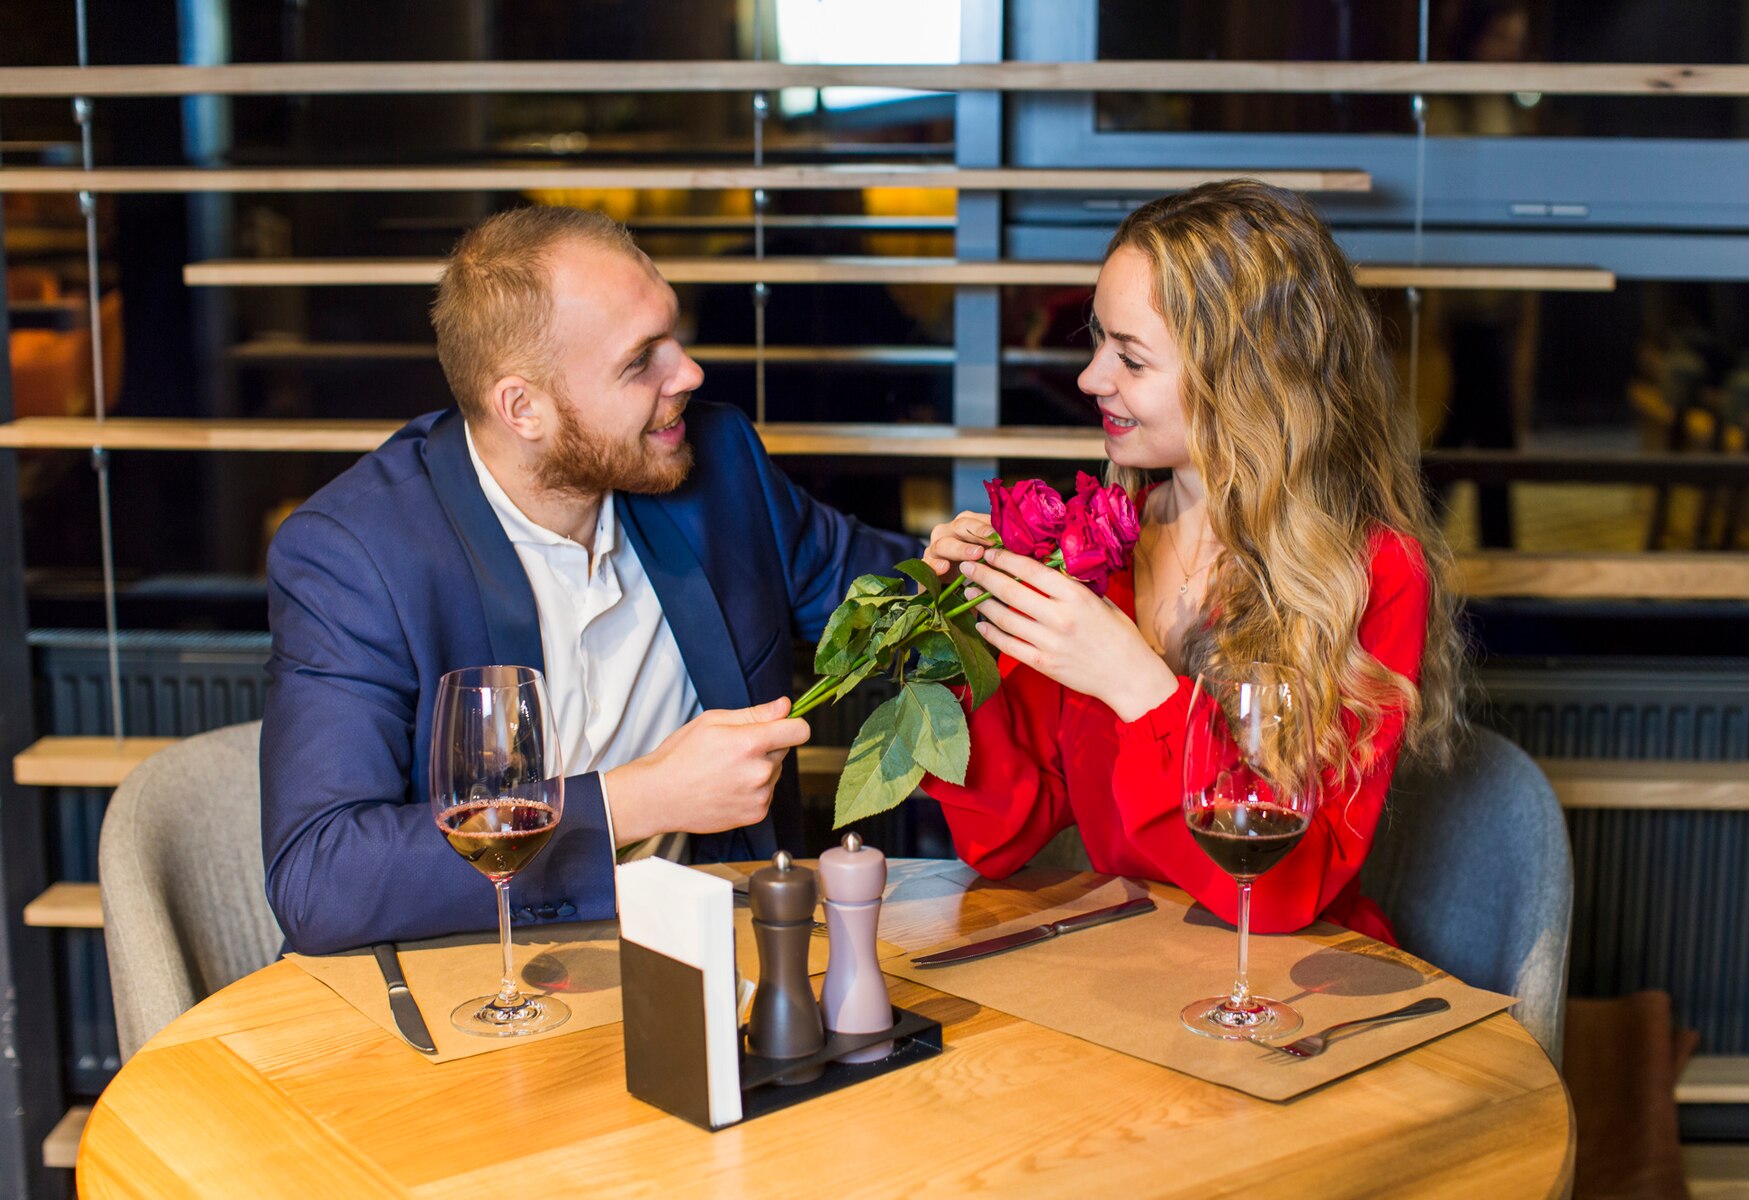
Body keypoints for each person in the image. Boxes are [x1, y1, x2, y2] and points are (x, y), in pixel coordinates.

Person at [262, 206, 917, 955]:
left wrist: (994, 560)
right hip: (478, 983)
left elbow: (885, 593)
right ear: (523, 408)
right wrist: (639, 800)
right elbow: (320, 877)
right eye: (642, 361)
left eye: (676, 333)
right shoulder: (356, 555)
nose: (690, 374)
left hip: (712, 966)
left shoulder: (718, 460)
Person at [921, 181, 1465, 945]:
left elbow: (1279, 897)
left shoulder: (1371, 575)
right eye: (1097, 339)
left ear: (1247, 376)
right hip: (1126, 969)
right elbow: (999, 835)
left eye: (1131, 358)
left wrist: (1136, 685)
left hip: (1284, 986)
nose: (1090, 378)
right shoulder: (1099, 548)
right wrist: (958, 637)